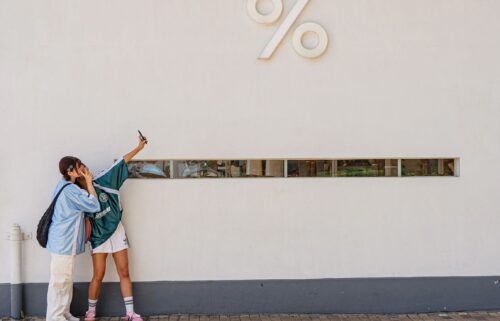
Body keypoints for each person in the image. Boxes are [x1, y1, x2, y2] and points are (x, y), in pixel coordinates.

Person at [77, 135, 147, 321]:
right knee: (98, 274)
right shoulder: (76, 193)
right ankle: (90, 312)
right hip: (98, 237)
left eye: (85, 166)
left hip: (116, 231)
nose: (86, 169)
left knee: (124, 271)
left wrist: (139, 147)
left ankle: (130, 313)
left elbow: (122, 162)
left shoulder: (104, 179)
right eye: (81, 169)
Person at [46, 157, 100, 321]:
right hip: (63, 242)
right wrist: (89, 182)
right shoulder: (70, 190)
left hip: (63, 241)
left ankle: (63, 312)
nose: (82, 168)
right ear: (70, 171)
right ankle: (55, 316)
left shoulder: (64, 186)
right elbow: (94, 205)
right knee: (60, 281)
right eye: (79, 167)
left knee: (66, 279)